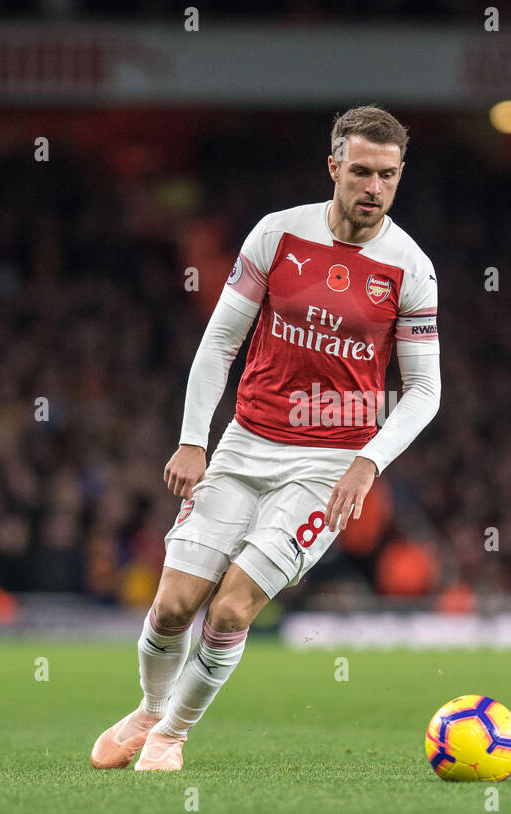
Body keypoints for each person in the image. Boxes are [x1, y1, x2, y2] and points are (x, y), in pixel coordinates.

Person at [91, 105, 441, 771]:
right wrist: (194, 439)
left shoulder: (410, 268)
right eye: (361, 171)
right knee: (171, 606)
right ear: (334, 166)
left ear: (399, 177)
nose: (374, 187)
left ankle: (172, 734)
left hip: (327, 464)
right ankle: (147, 708)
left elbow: (425, 389)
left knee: (229, 611)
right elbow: (221, 340)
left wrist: (368, 462)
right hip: (246, 443)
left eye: (388, 176)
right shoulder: (277, 236)